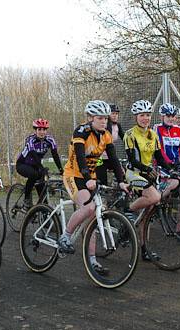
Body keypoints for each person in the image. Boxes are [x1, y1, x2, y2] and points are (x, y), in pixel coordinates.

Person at [58, 100, 128, 273]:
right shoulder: (81, 132)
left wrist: (121, 180)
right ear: (90, 118)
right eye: (100, 118)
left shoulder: (106, 135)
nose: (104, 121)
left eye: (106, 118)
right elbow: (81, 158)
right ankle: (65, 236)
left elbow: (113, 159)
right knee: (89, 207)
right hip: (74, 175)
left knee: (93, 218)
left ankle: (92, 261)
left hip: (91, 177)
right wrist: (88, 178)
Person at [123, 100, 177, 261]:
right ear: (136, 117)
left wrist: (172, 169)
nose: (145, 118)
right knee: (155, 197)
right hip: (134, 173)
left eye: (147, 115)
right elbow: (132, 160)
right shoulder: (130, 134)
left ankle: (144, 249)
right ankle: (129, 211)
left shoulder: (153, 135)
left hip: (148, 174)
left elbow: (159, 158)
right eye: (142, 115)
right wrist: (147, 169)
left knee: (147, 217)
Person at [15, 118, 63, 207]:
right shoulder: (30, 140)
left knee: (42, 186)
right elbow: (33, 155)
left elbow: (55, 155)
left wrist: (61, 169)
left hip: (35, 165)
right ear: (35, 130)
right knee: (34, 175)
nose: (42, 132)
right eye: (39, 129)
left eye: (44, 129)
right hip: (22, 164)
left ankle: (42, 207)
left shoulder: (50, 140)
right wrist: (41, 167)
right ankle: (26, 199)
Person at [154, 103, 180, 167]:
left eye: (173, 116)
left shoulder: (178, 129)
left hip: (176, 163)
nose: (171, 119)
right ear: (161, 117)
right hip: (162, 164)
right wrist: (169, 163)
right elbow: (160, 149)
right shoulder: (158, 129)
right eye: (168, 116)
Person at [95, 103, 125, 185]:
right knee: (102, 181)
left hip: (111, 156)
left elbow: (125, 139)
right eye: (113, 113)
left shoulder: (118, 125)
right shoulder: (104, 126)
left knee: (122, 173)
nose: (115, 116)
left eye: (116, 114)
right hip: (100, 157)